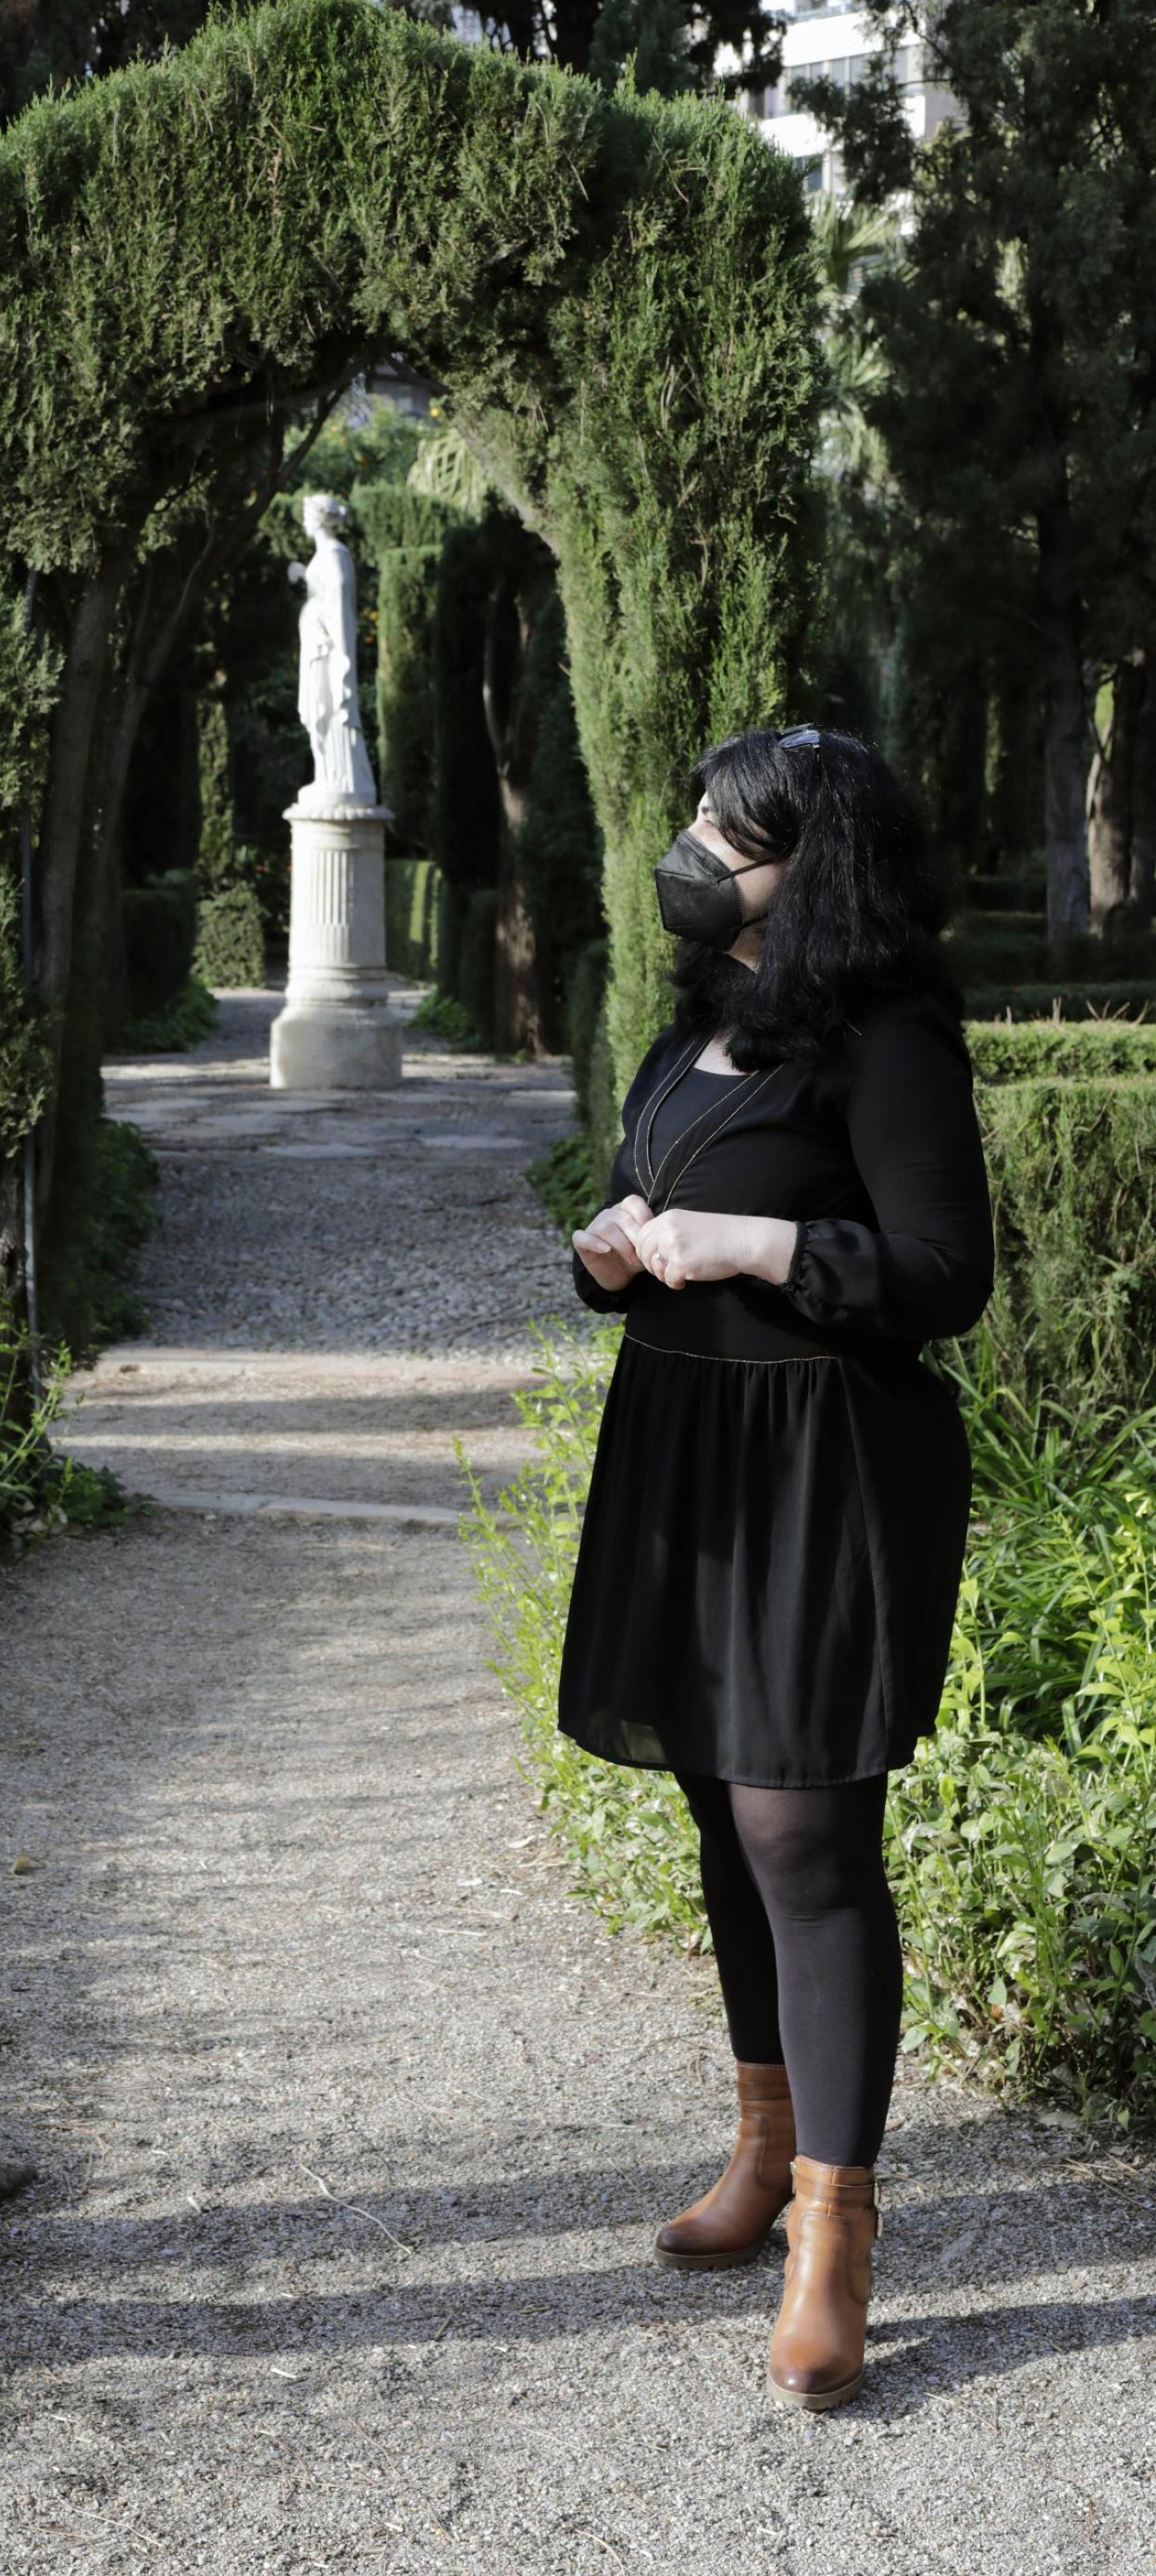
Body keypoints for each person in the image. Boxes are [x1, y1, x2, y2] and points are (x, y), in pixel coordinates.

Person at [562, 725, 992, 2413]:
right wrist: (611, 1250)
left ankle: (836, 2240)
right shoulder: (702, 1020)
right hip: (683, 1446)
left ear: (809, 867)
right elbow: (634, 1190)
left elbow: (946, 1273)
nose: (685, 847)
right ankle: (762, 2143)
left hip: (826, 1458)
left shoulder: (890, 1036)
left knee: (802, 1829)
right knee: (714, 1810)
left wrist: (758, 1243)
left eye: (719, 832)